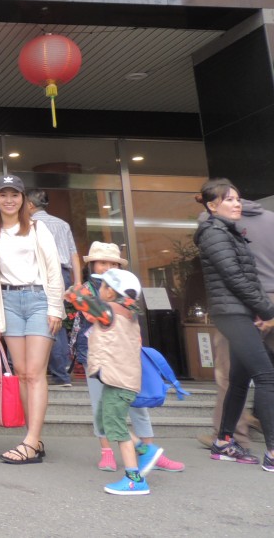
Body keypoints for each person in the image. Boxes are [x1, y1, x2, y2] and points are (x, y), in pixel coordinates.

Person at [73, 242, 184, 474]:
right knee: (101, 406)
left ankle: (149, 453)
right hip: (97, 356)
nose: (107, 267)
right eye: (102, 263)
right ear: (92, 265)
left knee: (137, 406)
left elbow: (106, 313)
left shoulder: (125, 292)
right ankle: (107, 452)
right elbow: (88, 311)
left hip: (124, 357)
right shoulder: (90, 289)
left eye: (113, 264)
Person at [0, 174, 65, 464]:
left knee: (34, 372)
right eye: (3, 195)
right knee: (22, 373)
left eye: (14, 195)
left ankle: (30, 441)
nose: (9, 200)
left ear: (23, 199)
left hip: (39, 299)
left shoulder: (38, 229)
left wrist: (56, 307)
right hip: (8, 303)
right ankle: (34, 439)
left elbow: (53, 269)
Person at [194, 178, 274, 470]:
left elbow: (245, 277)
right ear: (212, 206)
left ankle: (224, 441)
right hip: (232, 313)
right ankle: (272, 453)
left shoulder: (229, 231)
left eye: (237, 198)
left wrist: (258, 310)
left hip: (240, 311)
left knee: (239, 380)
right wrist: (266, 310)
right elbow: (235, 277)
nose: (236, 203)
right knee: (266, 376)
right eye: (229, 199)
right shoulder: (214, 233)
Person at [70, 267, 156, 495]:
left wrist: (72, 291)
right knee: (105, 420)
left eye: (103, 286)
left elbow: (82, 301)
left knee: (116, 428)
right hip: (120, 380)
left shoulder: (110, 312)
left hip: (118, 382)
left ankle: (134, 479)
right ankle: (144, 450)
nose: (100, 289)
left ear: (110, 292)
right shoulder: (129, 313)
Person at [27, 188, 83, 387]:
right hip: (64, 274)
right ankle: (61, 372)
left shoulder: (30, 224)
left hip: (41, 273)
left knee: (44, 321)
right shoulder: (62, 224)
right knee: (56, 318)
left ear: (30, 205)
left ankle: (58, 373)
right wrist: (77, 282)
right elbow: (73, 254)